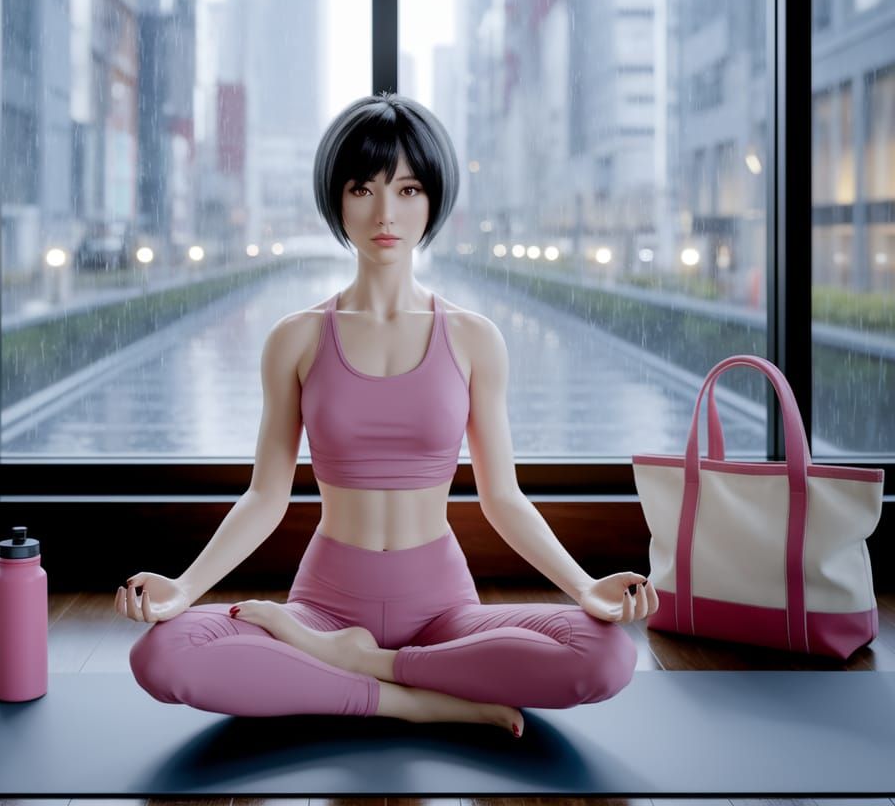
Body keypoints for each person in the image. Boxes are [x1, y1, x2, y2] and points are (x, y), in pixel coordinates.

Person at [115, 92, 657, 738]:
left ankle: (365, 668)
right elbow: (265, 495)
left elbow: (503, 497)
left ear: (433, 200)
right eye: (362, 188)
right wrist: (183, 586)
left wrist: (584, 586)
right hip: (322, 603)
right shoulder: (297, 337)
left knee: (604, 658)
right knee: (163, 656)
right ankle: (413, 698)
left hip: (442, 610)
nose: (384, 213)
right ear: (336, 199)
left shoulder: (473, 336)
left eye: (406, 190)